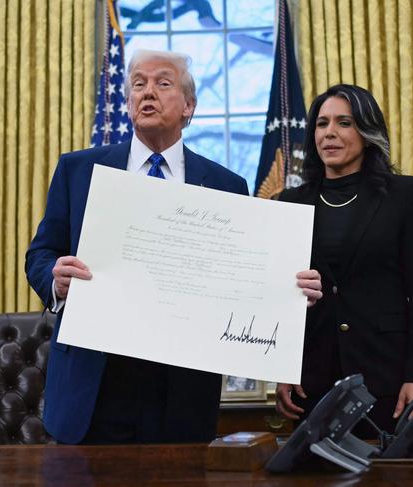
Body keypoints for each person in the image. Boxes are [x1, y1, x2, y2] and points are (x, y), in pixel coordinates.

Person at [25, 49, 322, 445]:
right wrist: (55, 280)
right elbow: (40, 256)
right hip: (94, 387)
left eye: (163, 83)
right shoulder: (78, 170)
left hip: (181, 391)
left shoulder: (226, 186)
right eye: (138, 84)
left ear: (189, 107)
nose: (148, 92)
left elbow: (241, 280)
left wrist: (288, 291)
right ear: (128, 101)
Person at [275, 84, 413, 437]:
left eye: (343, 123)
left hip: (387, 378)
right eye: (321, 124)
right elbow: (276, 294)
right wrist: (281, 367)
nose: (329, 132)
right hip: (312, 380)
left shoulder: (403, 195)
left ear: (367, 132)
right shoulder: (289, 201)